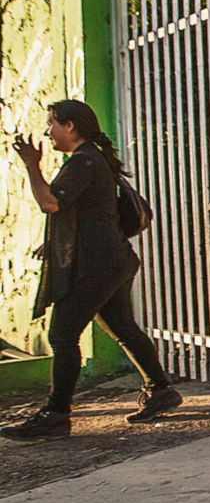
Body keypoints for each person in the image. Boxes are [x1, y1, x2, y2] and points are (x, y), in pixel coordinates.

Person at [2, 101, 181, 441]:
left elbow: (50, 203)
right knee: (123, 327)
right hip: (111, 260)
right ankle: (160, 390)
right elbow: (90, 215)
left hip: (97, 266)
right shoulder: (91, 160)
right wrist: (52, 244)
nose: (46, 132)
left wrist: (31, 165)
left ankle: (56, 414)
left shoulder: (84, 161)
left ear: (70, 126)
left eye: (51, 124)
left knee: (62, 335)